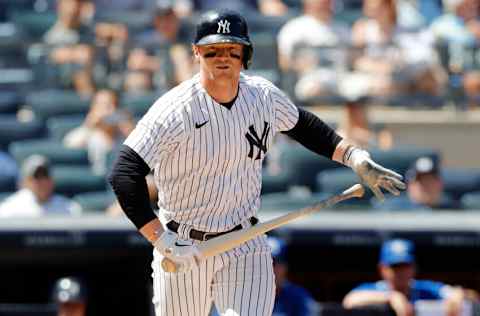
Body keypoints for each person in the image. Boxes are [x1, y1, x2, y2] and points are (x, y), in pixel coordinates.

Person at [108, 10, 405, 316]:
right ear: (197, 52)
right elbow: (124, 173)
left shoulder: (261, 96)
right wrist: (162, 240)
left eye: (231, 49)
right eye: (213, 50)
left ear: (245, 54)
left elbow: (304, 126)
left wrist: (354, 156)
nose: (223, 57)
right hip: (184, 243)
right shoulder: (175, 109)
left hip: (243, 241)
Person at [343, 238, 473, 316]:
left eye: (405, 266)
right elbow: (349, 301)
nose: (401, 272)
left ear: (414, 267)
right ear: (382, 269)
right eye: (396, 266)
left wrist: (459, 294)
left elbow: (467, 295)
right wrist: (391, 297)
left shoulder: (425, 289)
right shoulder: (375, 289)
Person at [64, 89, 134, 175]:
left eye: (114, 105)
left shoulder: (123, 131)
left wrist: (129, 130)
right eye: (105, 106)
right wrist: (89, 127)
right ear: (93, 108)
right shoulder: (88, 132)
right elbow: (68, 150)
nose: (110, 110)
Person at [0, 155, 82, 217]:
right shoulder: (10, 208)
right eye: (36, 177)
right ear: (26, 182)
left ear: (52, 180)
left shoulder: (70, 209)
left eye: (45, 176)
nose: (42, 181)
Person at [373, 156, 459, 211]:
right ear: (410, 185)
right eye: (420, 181)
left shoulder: (453, 210)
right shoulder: (393, 208)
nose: (425, 186)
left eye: (429, 181)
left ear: (440, 184)